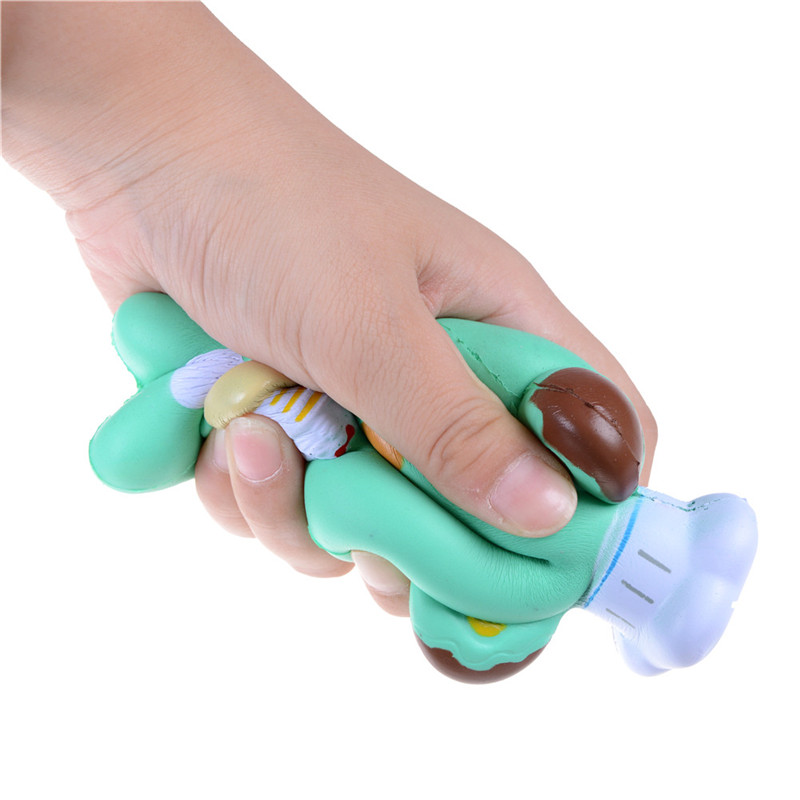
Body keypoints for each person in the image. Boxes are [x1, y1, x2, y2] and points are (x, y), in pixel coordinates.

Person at [2, 2, 656, 617]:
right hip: (297, 418)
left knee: (330, 496)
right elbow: (120, 459)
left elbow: (125, 452)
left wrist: (161, 161)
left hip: (322, 438)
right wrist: (164, 159)